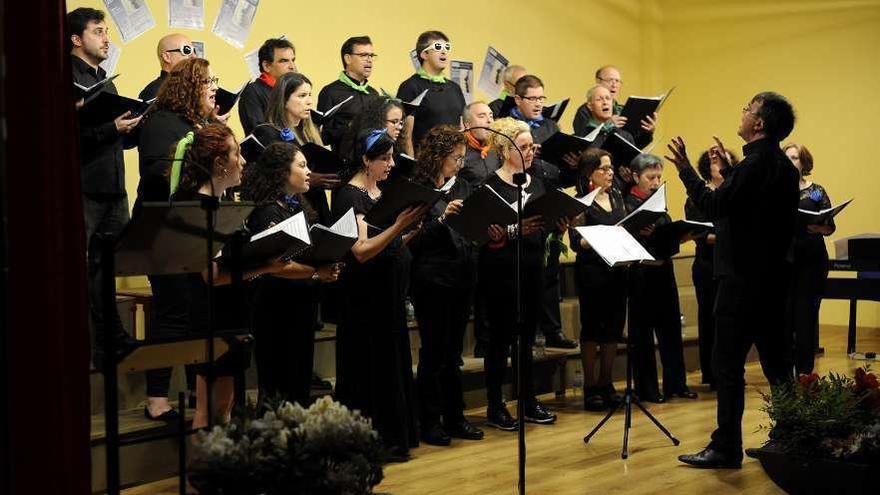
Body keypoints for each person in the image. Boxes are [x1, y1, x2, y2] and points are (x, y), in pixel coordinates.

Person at [668, 91, 799, 469]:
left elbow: (713, 207)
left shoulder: (753, 166)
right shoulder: (782, 168)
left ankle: (726, 447)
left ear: (758, 123)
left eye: (747, 110)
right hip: (774, 281)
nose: (742, 114)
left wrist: (685, 170)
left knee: (727, 366)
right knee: (777, 365)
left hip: (741, 281)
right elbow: (747, 207)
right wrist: (728, 173)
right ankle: (790, 439)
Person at [135, 57, 227, 419]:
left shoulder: (200, 122)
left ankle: (195, 393)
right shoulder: (160, 121)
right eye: (208, 81)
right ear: (189, 87)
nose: (214, 88)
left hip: (195, 228)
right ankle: (156, 398)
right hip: (163, 228)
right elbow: (158, 172)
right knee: (172, 311)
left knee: (200, 313)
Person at [331, 128, 426, 461]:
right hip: (365, 300)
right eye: (384, 158)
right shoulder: (349, 195)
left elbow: (388, 245)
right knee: (370, 367)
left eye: (392, 157)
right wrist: (399, 227)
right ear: (365, 160)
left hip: (390, 294)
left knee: (392, 363)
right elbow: (360, 251)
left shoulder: (382, 192)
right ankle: (370, 441)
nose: (391, 163)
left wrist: (408, 232)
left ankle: (395, 436)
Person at [68, 7, 142, 370]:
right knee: (82, 267)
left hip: (113, 185)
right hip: (84, 186)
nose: (106, 38)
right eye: (98, 31)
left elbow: (114, 138)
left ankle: (109, 342)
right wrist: (112, 129)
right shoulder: (66, 78)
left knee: (106, 267)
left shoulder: (105, 81)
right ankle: (86, 347)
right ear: (76, 39)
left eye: (106, 31)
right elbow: (69, 138)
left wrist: (133, 128)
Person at [480, 117, 565, 430]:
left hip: (532, 268)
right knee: (500, 340)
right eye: (524, 146)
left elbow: (544, 220)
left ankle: (528, 399)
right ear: (505, 149)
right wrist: (516, 229)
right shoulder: (491, 185)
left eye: (532, 146)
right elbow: (486, 234)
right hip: (501, 272)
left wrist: (558, 223)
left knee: (527, 339)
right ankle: (495, 404)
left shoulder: (538, 181)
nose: (531, 151)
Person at [241, 141, 342, 407]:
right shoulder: (267, 212)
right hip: (276, 308)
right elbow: (276, 265)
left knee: (298, 384)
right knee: (277, 386)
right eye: (302, 165)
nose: (309, 171)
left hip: (300, 305)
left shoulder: (296, 206)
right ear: (282, 172)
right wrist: (316, 272)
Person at [408, 126, 485, 445]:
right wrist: (442, 220)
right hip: (431, 277)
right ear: (438, 156)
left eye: (462, 156)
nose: (460, 162)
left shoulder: (464, 185)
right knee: (434, 351)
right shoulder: (418, 189)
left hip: (461, 274)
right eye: (455, 157)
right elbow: (411, 239)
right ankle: (430, 420)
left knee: (454, 352)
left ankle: (455, 416)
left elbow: (473, 225)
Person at [509, 74, 578, 349]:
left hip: (550, 201)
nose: (538, 103)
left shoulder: (551, 126)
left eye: (541, 98)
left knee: (550, 272)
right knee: (527, 275)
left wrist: (571, 165)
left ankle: (552, 330)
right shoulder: (511, 128)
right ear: (518, 99)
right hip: (524, 204)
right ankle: (529, 330)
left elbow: (562, 176)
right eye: (532, 98)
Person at [624, 154, 696, 403]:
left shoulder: (659, 203)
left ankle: (676, 384)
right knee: (643, 334)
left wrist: (679, 236)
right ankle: (647, 389)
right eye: (650, 177)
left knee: (671, 329)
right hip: (642, 273)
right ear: (635, 177)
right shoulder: (629, 204)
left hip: (664, 271)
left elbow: (665, 235)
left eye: (658, 177)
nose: (655, 182)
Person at [568, 149, 628, 410]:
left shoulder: (616, 196)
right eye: (604, 168)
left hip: (617, 269)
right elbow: (575, 241)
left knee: (614, 327)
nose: (610, 172)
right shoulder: (581, 201)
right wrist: (600, 237)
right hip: (592, 271)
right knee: (592, 327)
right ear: (590, 172)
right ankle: (591, 386)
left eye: (611, 167)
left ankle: (607, 382)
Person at [686, 146, 738, 389]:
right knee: (709, 318)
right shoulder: (699, 195)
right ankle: (712, 373)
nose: (716, 163)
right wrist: (731, 235)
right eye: (712, 160)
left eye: (721, 159)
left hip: (732, 263)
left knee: (731, 320)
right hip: (707, 264)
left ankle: (729, 370)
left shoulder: (735, 193)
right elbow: (700, 234)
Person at [257, 72, 339, 225]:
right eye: (301, 96)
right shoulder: (268, 133)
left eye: (309, 95)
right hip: (287, 211)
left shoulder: (309, 132)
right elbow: (268, 179)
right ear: (284, 99)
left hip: (316, 205)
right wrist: (308, 178)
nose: (309, 101)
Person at [783, 143, 834, 376]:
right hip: (785, 260)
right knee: (785, 317)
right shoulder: (775, 191)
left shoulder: (816, 191)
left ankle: (805, 373)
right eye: (787, 158)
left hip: (812, 260)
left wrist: (819, 227)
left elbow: (830, 227)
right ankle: (785, 373)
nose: (791, 162)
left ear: (803, 163)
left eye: (795, 158)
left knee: (806, 316)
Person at [397, 30, 466, 146]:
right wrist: (411, 163)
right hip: (424, 161)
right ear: (424, 54)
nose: (444, 52)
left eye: (447, 47)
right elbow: (405, 136)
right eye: (438, 47)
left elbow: (462, 128)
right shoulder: (410, 87)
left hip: (453, 159)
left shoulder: (455, 88)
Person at [317, 36, 380, 151]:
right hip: (343, 163)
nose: (369, 60)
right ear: (348, 59)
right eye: (363, 55)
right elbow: (322, 137)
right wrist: (350, 128)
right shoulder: (330, 92)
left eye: (371, 55)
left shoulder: (374, 94)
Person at [572, 65, 657, 148]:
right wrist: (608, 125)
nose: (614, 85)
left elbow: (634, 145)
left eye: (617, 81)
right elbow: (582, 138)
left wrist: (647, 133)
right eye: (610, 80)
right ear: (598, 81)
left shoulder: (623, 110)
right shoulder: (585, 110)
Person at [575, 85, 638, 190]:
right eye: (599, 99)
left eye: (608, 98)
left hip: (621, 194)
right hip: (592, 193)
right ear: (590, 106)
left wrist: (631, 176)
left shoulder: (625, 135)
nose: (605, 102)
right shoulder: (584, 136)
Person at [239, 38, 297, 135]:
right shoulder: (252, 92)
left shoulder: (292, 92)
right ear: (267, 66)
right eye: (284, 61)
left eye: (293, 60)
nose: (292, 66)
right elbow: (259, 133)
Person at [138, 33, 196, 102]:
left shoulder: (197, 88)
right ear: (166, 57)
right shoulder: (155, 92)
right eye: (187, 50)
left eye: (194, 51)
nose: (194, 56)